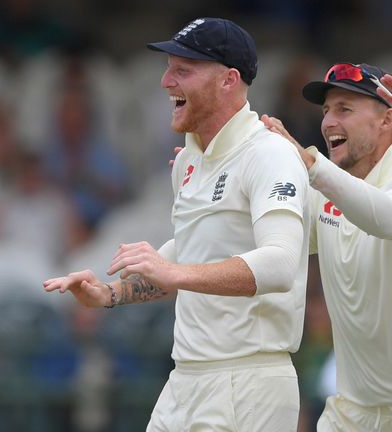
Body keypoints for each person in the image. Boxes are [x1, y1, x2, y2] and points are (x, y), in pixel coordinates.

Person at [44, 17, 310, 431]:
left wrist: (173, 270)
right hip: (185, 378)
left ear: (228, 80)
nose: (166, 81)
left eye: (182, 70)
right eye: (169, 68)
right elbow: (189, 255)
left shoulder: (270, 154)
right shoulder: (188, 162)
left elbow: (280, 265)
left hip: (248, 383)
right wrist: (110, 294)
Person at [262, 62, 392, 431]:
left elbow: (382, 215)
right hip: (349, 413)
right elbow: (268, 243)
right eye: (326, 111)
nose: (328, 122)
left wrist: (308, 162)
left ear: (386, 121)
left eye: (344, 109)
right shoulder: (329, 190)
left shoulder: (325, 178)